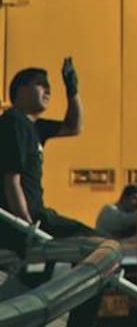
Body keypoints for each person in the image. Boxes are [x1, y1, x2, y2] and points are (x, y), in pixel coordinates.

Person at [0, 59, 92, 239]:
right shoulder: (14, 122)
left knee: (91, 241)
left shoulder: (34, 126)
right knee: (93, 243)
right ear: (20, 90)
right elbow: (11, 180)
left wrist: (72, 90)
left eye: (49, 86)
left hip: (37, 214)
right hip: (25, 219)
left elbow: (74, 127)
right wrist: (24, 224)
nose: (48, 90)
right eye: (40, 84)